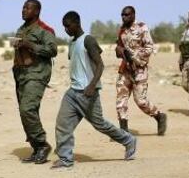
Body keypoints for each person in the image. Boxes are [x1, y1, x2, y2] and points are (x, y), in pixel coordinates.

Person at [52, 11, 137, 169]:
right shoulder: (72, 42)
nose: (66, 30)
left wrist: (91, 85)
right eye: (64, 27)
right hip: (73, 92)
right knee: (63, 124)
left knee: (100, 124)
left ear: (77, 23)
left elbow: (100, 65)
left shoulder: (88, 40)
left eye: (68, 26)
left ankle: (129, 140)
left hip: (87, 93)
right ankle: (65, 159)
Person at [12, 0, 58, 164]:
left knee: (27, 109)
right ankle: (37, 148)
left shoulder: (45, 30)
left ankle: (42, 144)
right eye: (23, 7)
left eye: (27, 8)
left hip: (37, 74)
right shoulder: (21, 29)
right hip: (21, 75)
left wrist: (30, 45)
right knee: (26, 112)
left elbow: (53, 50)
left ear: (36, 11)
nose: (23, 10)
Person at [115, 6, 167, 135]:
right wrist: (119, 51)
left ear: (133, 15)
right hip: (125, 69)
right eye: (122, 15)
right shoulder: (122, 30)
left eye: (126, 15)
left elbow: (150, 48)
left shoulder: (142, 28)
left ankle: (159, 116)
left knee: (141, 101)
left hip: (139, 70)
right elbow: (119, 48)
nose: (123, 17)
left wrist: (134, 58)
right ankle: (123, 130)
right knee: (121, 99)